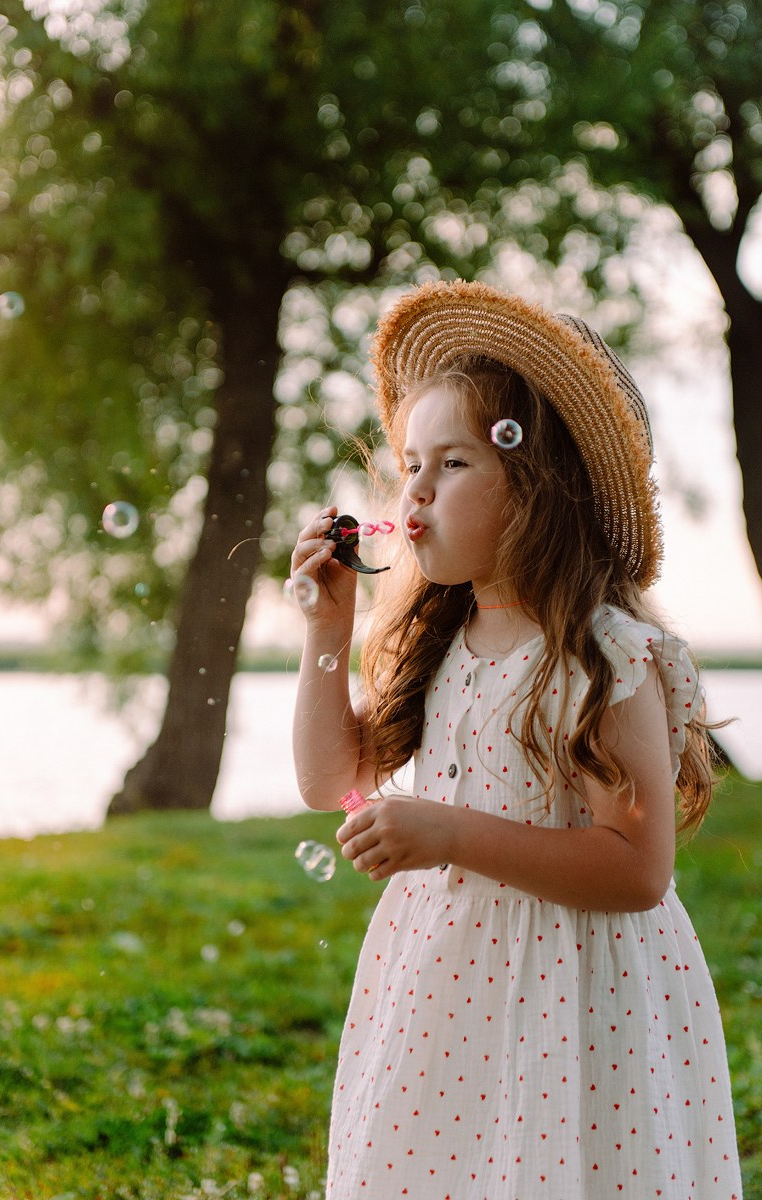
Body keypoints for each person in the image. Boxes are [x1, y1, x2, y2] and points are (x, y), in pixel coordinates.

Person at [290, 280, 742, 1199]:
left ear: (539, 486)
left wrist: (449, 835)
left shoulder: (605, 655)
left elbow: (635, 868)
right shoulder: (441, 644)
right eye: (409, 463)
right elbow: (327, 779)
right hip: (446, 980)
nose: (413, 490)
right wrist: (326, 635)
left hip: (576, 991)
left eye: (451, 464)